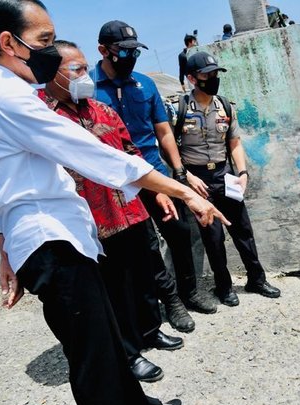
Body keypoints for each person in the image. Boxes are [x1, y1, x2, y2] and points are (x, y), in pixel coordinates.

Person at [0, 1, 226, 405]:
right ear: (9, 43)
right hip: (50, 241)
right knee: (92, 357)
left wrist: (5, 250)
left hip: (48, 239)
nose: (51, 52)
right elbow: (92, 155)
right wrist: (182, 190)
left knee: (103, 334)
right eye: (45, 41)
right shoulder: (5, 98)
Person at [43, 40, 186, 382]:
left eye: (83, 67)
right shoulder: (43, 117)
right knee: (113, 289)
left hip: (131, 211)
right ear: (52, 73)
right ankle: (128, 352)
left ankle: (151, 331)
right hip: (91, 222)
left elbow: (130, 154)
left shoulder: (102, 110)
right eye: (75, 69)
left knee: (144, 275)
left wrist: (159, 192)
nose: (84, 75)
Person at [92, 20, 218, 318]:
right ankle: (170, 301)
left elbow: (163, 131)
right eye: (123, 53)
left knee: (178, 231)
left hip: (155, 172)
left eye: (134, 52)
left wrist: (178, 170)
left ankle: (189, 292)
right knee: (146, 245)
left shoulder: (145, 85)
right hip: (119, 183)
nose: (130, 59)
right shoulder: (89, 88)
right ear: (103, 50)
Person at [178, 51, 281, 306]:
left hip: (225, 174)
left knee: (243, 229)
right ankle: (223, 287)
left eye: (215, 74)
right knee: (213, 237)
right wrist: (187, 176)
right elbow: (168, 149)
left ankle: (256, 279)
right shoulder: (178, 109)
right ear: (192, 78)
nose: (212, 78)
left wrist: (242, 172)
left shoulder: (224, 106)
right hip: (198, 179)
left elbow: (234, 142)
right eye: (206, 74)